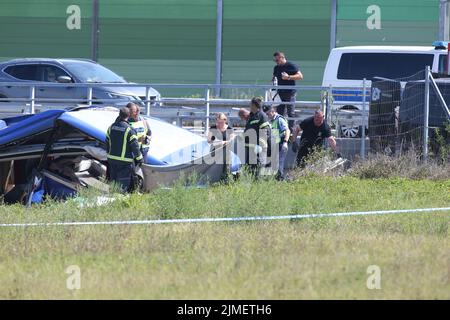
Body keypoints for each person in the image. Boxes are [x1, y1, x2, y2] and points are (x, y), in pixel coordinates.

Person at [106, 107, 143, 191]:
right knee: (122, 185)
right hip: (124, 162)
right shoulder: (130, 129)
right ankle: (119, 200)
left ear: (119, 114)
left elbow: (107, 142)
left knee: (113, 183)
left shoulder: (111, 127)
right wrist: (140, 159)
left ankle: (112, 200)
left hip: (112, 160)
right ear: (128, 115)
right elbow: (135, 146)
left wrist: (109, 154)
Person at [272, 51, 303, 131]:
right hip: (279, 93)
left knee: (290, 113)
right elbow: (273, 78)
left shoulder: (291, 65)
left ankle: (291, 132)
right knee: (279, 114)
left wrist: (288, 77)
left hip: (290, 93)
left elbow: (300, 76)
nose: (276, 62)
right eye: (275, 61)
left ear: (282, 58)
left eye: (277, 60)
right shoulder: (276, 68)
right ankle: (279, 131)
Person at [243, 97, 271, 178]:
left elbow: (266, 131)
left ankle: (258, 187)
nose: (250, 106)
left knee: (258, 172)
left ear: (254, 105)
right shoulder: (252, 116)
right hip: (250, 148)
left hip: (258, 150)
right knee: (250, 172)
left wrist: (260, 145)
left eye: (251, 104)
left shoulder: (262, 116)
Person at [263, 104, 290, 181]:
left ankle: (280, 180)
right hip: (274, 144)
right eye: (266, 114)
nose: (267, 115)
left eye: (268, 114)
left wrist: (285, 142)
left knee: (279, 164)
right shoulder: (270, 120)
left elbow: (287, 130)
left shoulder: (280, 119)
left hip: (281, 144)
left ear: (273, 111)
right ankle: (272, 179)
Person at [208, 113, 235, 180]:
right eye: (218, 122)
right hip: (215, 150)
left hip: (226, 151)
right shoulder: (212, 128)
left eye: (221, 122)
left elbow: (232, 139)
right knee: (214, 167)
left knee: (226, 166)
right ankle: (214, 180)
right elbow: (208, 140)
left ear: (225, 121)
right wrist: (217, 142)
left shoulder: (229, 129)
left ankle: (226, 179)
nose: (219, 124)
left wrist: (224, 142)